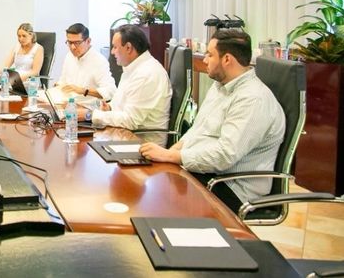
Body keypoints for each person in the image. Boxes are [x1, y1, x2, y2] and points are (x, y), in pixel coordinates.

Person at [139, 30, 285, 212]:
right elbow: (198, 128)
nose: (205, 60)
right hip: (207, 172)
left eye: (210, 54)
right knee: (149, 181)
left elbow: (225, 155)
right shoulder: (220, 85)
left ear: (227, 59)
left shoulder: (253, 99)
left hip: (230, 186)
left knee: (156, 202)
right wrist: (173, 151)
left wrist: (172, 157)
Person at [88, 25, 171, 145]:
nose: (112, 52)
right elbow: (121, 105)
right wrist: (109, 107)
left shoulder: (147, 74)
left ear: (128, 48)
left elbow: (131, 120)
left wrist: (91, 115)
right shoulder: (132, 68)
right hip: (124, 135)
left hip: (143, 144)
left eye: (115, 47)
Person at [56, 23, 116, 101]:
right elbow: (63, 80)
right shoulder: (69, 56)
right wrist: (58, 86)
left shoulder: (99, 61)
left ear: (88, 41)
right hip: (68, 102)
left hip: (88, 105)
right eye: (70, 43)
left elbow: (110, 91)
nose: (73, 47)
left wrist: (84, 91)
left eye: (77, 43)